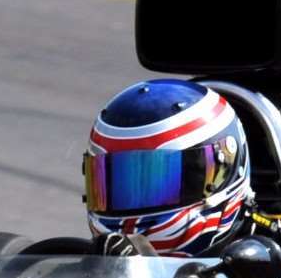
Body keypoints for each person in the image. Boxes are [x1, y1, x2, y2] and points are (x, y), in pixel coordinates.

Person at [82, 81, 254, 254]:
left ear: (221, 169)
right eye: (119, 186)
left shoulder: (262, 270)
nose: (132, 211)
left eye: (158, 185)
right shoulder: (85, 275)